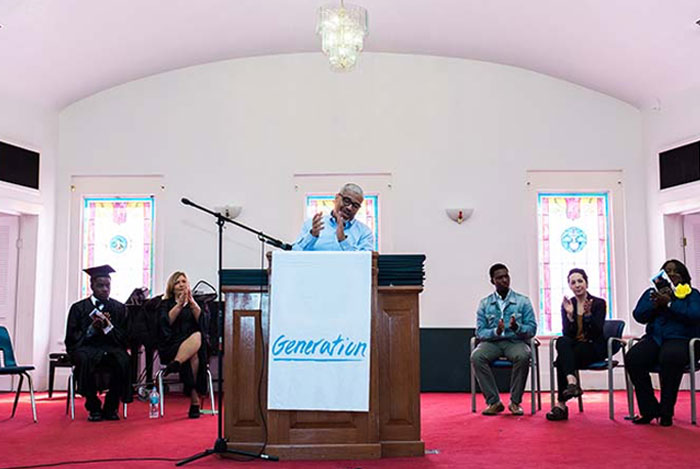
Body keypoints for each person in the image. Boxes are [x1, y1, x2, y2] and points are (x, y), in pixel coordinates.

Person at [626, 259, 700, 426]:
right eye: (667, 271)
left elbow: (695, 315)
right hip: (655, 338)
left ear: (683, 275)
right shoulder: (652, 293)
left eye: (675, 271)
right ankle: (649, 410)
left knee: (670, 357)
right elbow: (638, 315)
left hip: (681, 339)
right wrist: (654, 304)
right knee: (634, 357)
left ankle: (666, 411)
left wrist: (669, 303)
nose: (672, 274)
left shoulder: (691, 294)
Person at [64, 265, 132, 422]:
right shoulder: (78, 308)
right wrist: (91, 329)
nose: (105, 289)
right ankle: (93, 406)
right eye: (100, 285)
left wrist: (108, 327)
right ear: (92, 286)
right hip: (87, 348)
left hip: (111, 348)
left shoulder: (119, 308)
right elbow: (72, 337)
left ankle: (111, 406)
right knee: (84, 359)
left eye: (107, 285)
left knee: (123, 360)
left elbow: (124, 338)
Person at [471, 263, 538, 416]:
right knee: (476, 356)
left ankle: (515, 402)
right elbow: (480, 332)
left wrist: (516, 328)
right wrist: (496, 331)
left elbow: (532, 329)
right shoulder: (485, 303)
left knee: (523, 355)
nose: (504, 280)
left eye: (506, 276)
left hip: (515, 342)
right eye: (499, 278)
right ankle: (494, 402)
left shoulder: (523, 301)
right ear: (492, 281)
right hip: (492, 343)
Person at [546, 268, 606, 421]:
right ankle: (572, 383)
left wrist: (588, 316)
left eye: (580, 281)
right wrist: (570, 316)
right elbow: (567, 334)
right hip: (575, 347)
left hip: (593, 347)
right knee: (561, 341)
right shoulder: (568, 303)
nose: (577, 285)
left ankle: (561, 405)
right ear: (570, 286)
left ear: (586, 283)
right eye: (573, 282)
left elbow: (597, 331)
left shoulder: (598, 303)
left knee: (561, 360)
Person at [158, 271, 208, 418]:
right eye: (177, 282)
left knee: (197, 337)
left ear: (188, 285)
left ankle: (177, 364)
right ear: (171, 287)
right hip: (172, 345)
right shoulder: (165, 304)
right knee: (192, 356)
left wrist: (192, 303)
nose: (181, 285)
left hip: (194, 344)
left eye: (183, 282)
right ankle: (194, 402)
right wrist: (179, 305)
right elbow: (165, 324)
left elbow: (204, 324)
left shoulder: (198, 303)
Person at [292, 183, 374, 251]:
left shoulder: (365, 233)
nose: (349, 208)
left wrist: (343, 240)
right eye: (346, 201)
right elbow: (295, 252)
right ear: (337, 198)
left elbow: (364, 263)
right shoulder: (312, 224)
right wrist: (312, 235)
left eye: (355, 206)